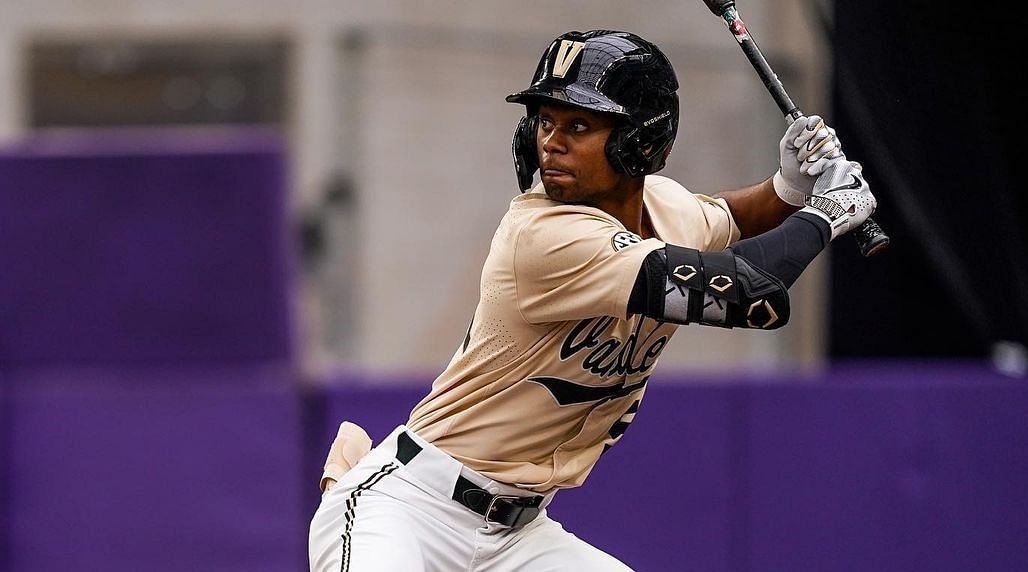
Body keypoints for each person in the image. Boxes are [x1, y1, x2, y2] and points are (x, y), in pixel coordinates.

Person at [308, 29, 875, 571]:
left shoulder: (665, 208)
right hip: (410, 511)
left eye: (578, 124)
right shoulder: (544, 237)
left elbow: (727, 219)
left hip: (517, 536)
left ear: (641, 142)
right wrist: (824, 217)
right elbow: (749, 296)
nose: (551, 141)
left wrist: (788, 188)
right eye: (546, 120)